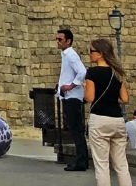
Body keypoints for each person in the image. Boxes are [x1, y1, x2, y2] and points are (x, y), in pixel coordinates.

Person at [84, 37, 130, 186]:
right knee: (121, 165)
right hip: (117, 119)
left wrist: (84, 87)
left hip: (99, 119)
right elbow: (125, 98)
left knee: (102, 165)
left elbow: (89, 97)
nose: (89, 54)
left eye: (91, 51)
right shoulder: (117, 73)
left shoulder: (92, 72)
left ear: (101, 53)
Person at [56, 27, 89, 171]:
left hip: (73, 97)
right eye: (57, 39)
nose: (57, 42)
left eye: (60, 39)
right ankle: (80, 160)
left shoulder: (70, 54)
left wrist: (71, 86)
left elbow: (82, 71)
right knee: (75, 129)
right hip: (70, 97)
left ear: (68, 41)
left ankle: (81, 161)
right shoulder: (66, 54)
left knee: (76, 130)